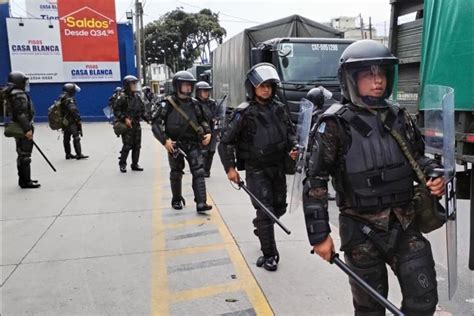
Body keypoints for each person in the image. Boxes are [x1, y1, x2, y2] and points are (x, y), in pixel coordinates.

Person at [303, 40, 445, 315]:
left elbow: (417, 157)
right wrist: (319, 235)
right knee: (370, 309)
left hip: (404, 223)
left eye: (381, 73)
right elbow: (315, 181)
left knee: (423, 300)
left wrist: (434, 174)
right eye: (368, 74)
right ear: (351, 79)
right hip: (361, 231)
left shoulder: (400, 117)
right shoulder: (334, 124)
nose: (377, 80)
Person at [218, 63, 298, 271]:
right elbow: (225, 142)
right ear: (252, 87)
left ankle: (262, 229)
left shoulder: (279, 109)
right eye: (262, 86)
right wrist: (230, 168)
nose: (266, 90)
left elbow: (290, 134)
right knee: (266, 212)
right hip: (257, 170)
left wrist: (295, 147)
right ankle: (270, 254)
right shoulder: (243, 113)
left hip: (278, 167)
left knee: (278, 208)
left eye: (269, 86)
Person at [151, 71, 213, 213]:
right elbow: (155, 124)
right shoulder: (167, 104)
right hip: (175, 144)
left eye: (190, 85)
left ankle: (201, 203)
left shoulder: (196, 104)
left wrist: (208, 132)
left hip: (193, 143)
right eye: (185, 85)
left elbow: (203, 120)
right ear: (177, 86)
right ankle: (177, 199)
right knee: (176, 172)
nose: (188, 88)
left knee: (198, 171)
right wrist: (165, 141)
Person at [4, 71, 40, 188]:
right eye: (24, 81)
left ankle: (24, 180)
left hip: (18, 127)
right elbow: (21, 114)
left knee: (21, 154)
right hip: (23, 128)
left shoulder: (12, 93)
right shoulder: (19, 95)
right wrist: (27, 129)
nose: (25, 84)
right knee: (25, 156)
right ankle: (26, 182)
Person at [114, 75, 148, 173]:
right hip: (128, 125)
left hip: (136, 125)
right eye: (132, 83)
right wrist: (124, 119)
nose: (134, 85)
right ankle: (122, 164)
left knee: (137, 145)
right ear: (127, 85)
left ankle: (135, 164)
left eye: (135, 83)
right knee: (127, 145)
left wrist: (148, 119)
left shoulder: (137, 97)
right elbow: (116, 110)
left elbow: (142, 111)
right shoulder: (122, 97)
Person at [195, 81, 219, 177]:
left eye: (207, 91)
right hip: (201, 129)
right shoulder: (195, 103)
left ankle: (207, 171)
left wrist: (217, 119)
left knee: (211, 151)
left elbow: (218, 114)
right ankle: (200, 169)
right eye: (204, 91)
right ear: (198, 92)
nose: (206, 93)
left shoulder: (212, 103)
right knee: (202, 151)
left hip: (212, 128)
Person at [59, 83, 88, 160]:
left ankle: (68, 154)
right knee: (76, 137)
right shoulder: (69, 99)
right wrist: (78, 119)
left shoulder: (62, 97)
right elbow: (73, 110)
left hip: (65, 121)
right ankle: (79, 154)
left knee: (66, 138)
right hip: (71, 121)